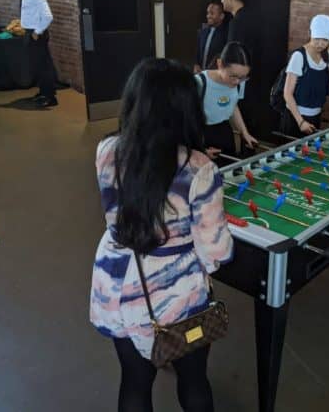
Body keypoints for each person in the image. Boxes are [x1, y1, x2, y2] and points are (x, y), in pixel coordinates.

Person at [89, 58, 234, 412]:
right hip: (177, 294)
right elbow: (215, 253)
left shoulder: (107, 150)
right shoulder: (199, 168)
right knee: (194, 379)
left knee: (134, 383)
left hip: (116, 281)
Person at [279, 14, 329, 138]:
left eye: (325, 40)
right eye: (317, 39)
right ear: (310, 33)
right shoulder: (299, 56)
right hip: (296, 119)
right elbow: (287, 94)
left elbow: (323, 74)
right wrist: (301, 122)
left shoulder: (326, 54)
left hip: (315, 117)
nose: (320, 44)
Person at [196, 41, 259, 166]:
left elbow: (233, 106)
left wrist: (244, 132)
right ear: (220, 64)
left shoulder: (240, 82)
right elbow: (185, 121)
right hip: (201, 133)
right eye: (233, 76)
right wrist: (199, 149)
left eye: (242, 77)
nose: (237, 81)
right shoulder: (199, 82)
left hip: (224, 131)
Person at [221, 0, 262, 132]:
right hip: (251, 77)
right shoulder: (252, 18)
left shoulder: (237, 22)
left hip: (240, 77)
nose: (222, 0)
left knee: (240, 117)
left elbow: (233, 53)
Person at [16, 0, 58, 108]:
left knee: (43, 66)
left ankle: (50, 97)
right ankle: (43, 92)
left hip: (36, 35)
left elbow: (48, 16)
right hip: (30, 33)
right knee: (38, 65)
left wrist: (36, 32)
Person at [194, 1, 229, 73]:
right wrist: (196, 64)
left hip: (216, 75)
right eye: (208, 13)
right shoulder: (202, 32)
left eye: (212, 13)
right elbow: (198, 51)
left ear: (221, 16)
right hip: (200, 73)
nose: (208, 16)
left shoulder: (227, 34)